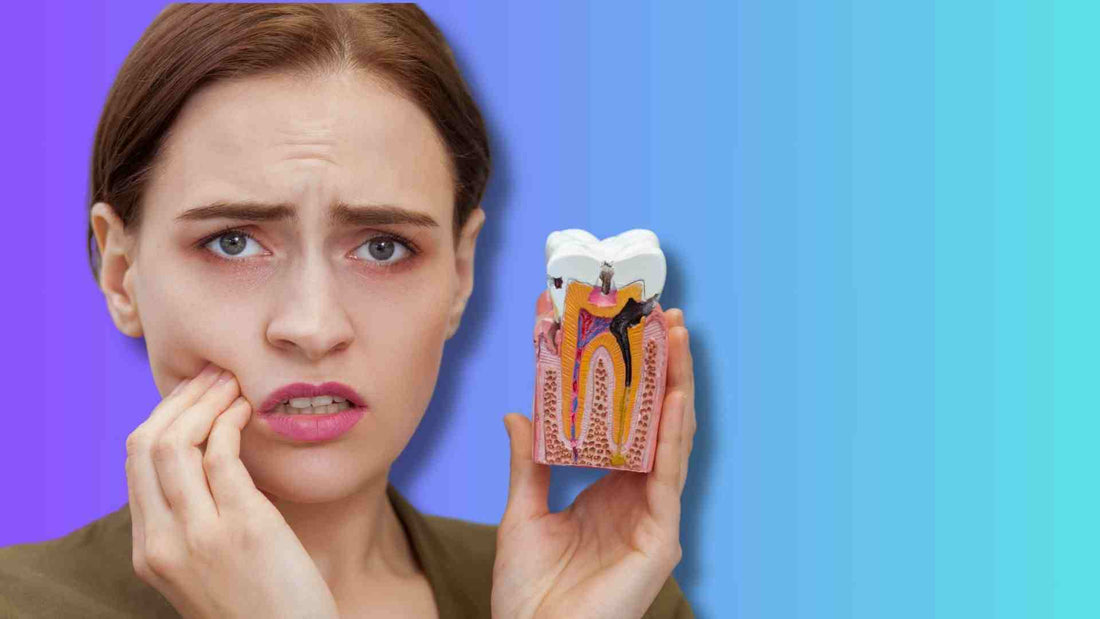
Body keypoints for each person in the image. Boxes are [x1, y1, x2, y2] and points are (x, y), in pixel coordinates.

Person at [0, 4, 698, 617]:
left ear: (461, 274)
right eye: (233, 242)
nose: (313, 326)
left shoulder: (610, 597)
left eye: (385, 247)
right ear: (121, 274)